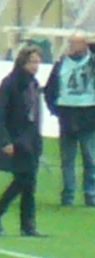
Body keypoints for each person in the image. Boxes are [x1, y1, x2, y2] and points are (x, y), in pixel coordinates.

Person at [0, 44, 47, 237]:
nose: (36, 66)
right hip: (16, 138)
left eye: (38, 62)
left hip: (30, 139)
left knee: (28, 182)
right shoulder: (11, 83)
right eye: (32, 62)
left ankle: (25, 224)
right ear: (22, 62)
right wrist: (5, 140)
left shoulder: (33, 83)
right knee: (24, 179)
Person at [47, 32, 95, 208]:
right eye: (70, 43)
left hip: (88, 114)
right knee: (68, 159)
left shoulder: (91, 62)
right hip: (67, 114)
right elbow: (51, 88)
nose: (71, 47)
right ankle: (68, 195)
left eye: (75, 44)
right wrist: (55, 109)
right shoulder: (61, 64)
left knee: (90, 158)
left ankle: (91, 194)